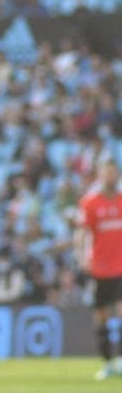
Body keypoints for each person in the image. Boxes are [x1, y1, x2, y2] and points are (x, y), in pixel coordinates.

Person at [76, 158, 122, 380]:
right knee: (101, 316)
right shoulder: (90, 203)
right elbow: (83, 232)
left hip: (121, 266)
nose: (110, 177)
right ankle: (108, 363)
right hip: (100, 267)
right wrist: (81, 256)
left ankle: (121, 359)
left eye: (113, 173)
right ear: (100, 176)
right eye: (106, 173)